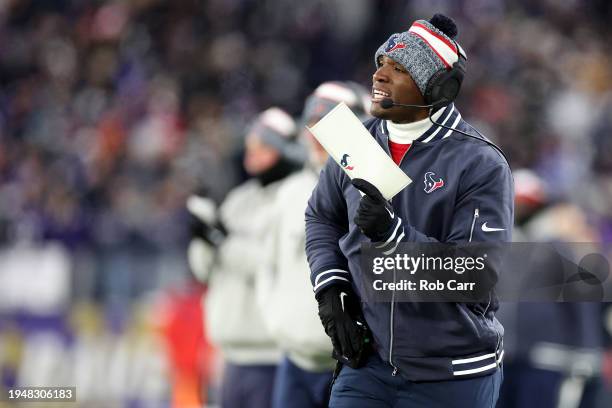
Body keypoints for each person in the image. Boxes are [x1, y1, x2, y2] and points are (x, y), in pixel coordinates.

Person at [305, 14, 513, 407]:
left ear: (438, 87)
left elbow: (476, 277)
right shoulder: (357, 139)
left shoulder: (479, 162)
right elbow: (321, 216)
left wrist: (393, 236)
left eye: (398, 69)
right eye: (381, 63)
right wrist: (330, 286)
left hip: (452, 373)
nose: (380, 76)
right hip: (369, 366)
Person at [257, 81, 370, 408]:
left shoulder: (373, 188)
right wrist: (278, 322)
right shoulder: (289, 191)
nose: (316, 136)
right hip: (296, 360)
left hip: (356, 363)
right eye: (313, 125)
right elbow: (269, 265)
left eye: (328, 125)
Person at [187, 107, 303, 408]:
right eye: (250, 147)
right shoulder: (240, 198)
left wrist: (222, 242)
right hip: (230, 353)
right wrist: (201, 239)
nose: (252, 155)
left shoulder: (294, 196)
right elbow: (204, 271)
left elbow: (272, 263)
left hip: (271, 354)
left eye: (262, 147)